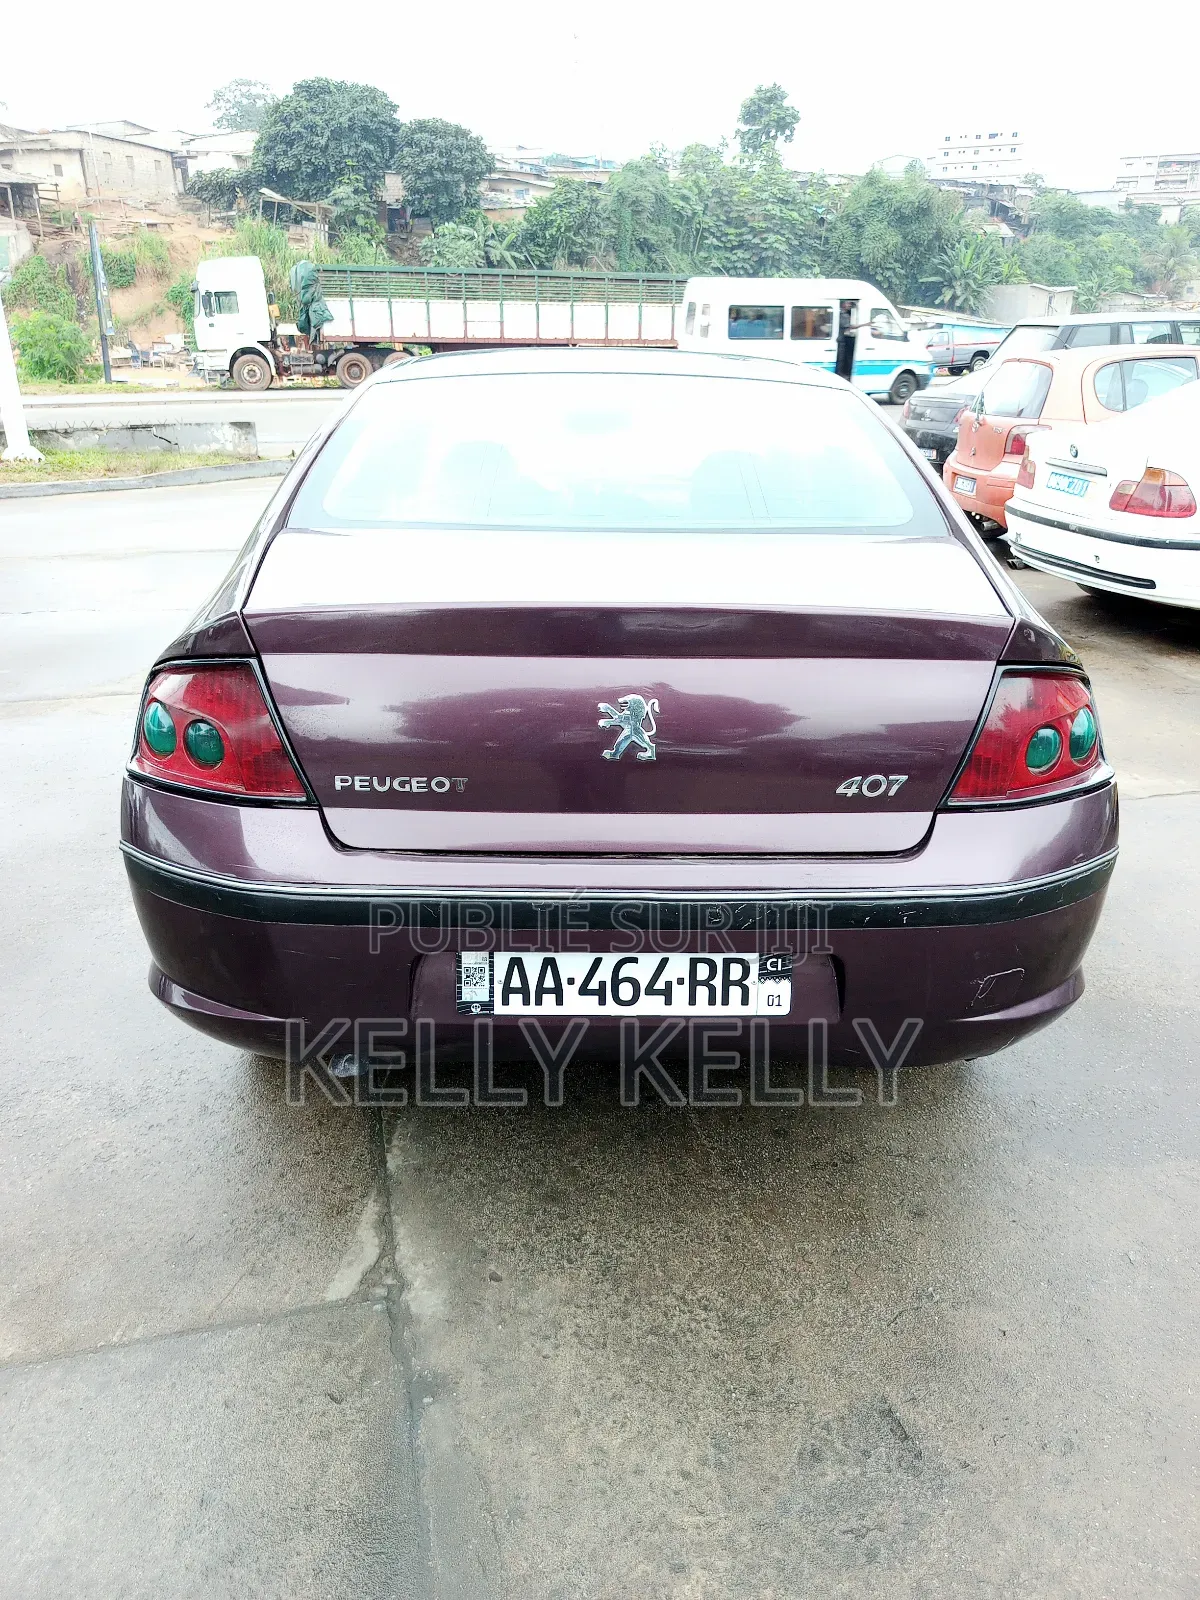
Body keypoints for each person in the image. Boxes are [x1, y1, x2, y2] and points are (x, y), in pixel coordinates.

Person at [836, 300, 859, 381]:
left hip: (842, 339)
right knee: (840, 360)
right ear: (843, 304)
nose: (849, 305)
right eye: (848, 303)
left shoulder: (845, 314)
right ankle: (839, 377)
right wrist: (865, 325)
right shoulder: (843, 315)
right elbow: (850, 327)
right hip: (840, 340)